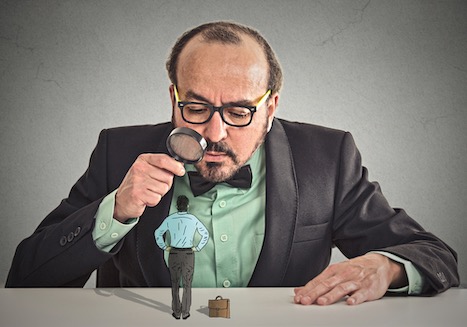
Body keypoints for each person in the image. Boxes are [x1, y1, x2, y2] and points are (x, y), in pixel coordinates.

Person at [6, 21, 459, 306]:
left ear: (271, 106)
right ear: (173, 98)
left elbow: (436, 256)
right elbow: (25, 280)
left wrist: (385, 266)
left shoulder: (328, 158)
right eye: (196, 108)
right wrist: (115, 210)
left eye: (240, 111)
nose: (214, 135)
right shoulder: (117, 152)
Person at [154, 195, 209, 319]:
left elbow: (158, 232)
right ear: (188, 206)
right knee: (187, 284)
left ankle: (176, 311)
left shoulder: (170, 219)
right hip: (189, 254)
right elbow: (205, 234)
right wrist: (198, 247)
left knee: (174, 284)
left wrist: (164, 246)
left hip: (173, 253)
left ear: (176, 206)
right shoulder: (193, 219)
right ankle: (186, 312)